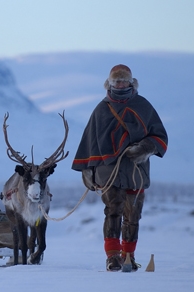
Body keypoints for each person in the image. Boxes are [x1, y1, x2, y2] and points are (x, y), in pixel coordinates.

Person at [71, 64, 168, 272]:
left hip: (135, 170)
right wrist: (88, 170)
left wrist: (145, 148)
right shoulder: (101, 109)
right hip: (109, 170)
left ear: (131, 82)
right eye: (117, 81)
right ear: (110, 83)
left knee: (133, 213)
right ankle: (113, 256)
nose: (121, 84)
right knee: (113, 210)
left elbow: (159, 136)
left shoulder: (143, 106)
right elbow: (90, 142)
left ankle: (128, 255)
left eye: (124, 80)